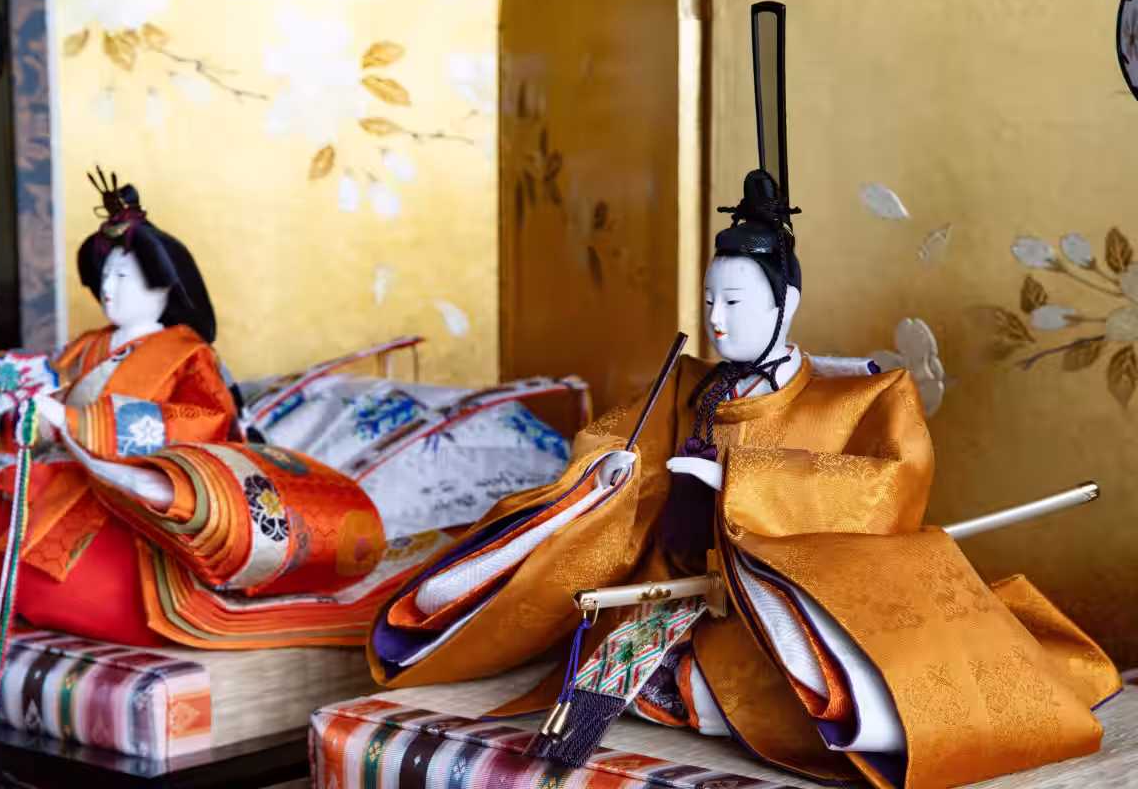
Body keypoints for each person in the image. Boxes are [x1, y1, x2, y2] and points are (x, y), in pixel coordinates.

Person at [367, 169, 1121, 786]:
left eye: (734, 301)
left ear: (786, 305)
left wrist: (742, 485)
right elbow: (615, 447)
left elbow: (888, 488)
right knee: (616, 677)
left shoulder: (863, 397)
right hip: (669, 598)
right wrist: (607, 476)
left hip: (769, 613)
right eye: (708, 302)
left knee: (834, 692)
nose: (717, 319)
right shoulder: (685, 385)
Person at [0, 173, 396, 648]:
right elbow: (46, 389)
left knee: (71, 580)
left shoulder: (186, 354)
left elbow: (206, 421)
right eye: (106, 274)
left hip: (121, 491)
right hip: (54, 476)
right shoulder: (86, 346)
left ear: (163, 288)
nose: (110, 287)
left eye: (124, 276)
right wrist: (14, 404)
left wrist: (82, 423)